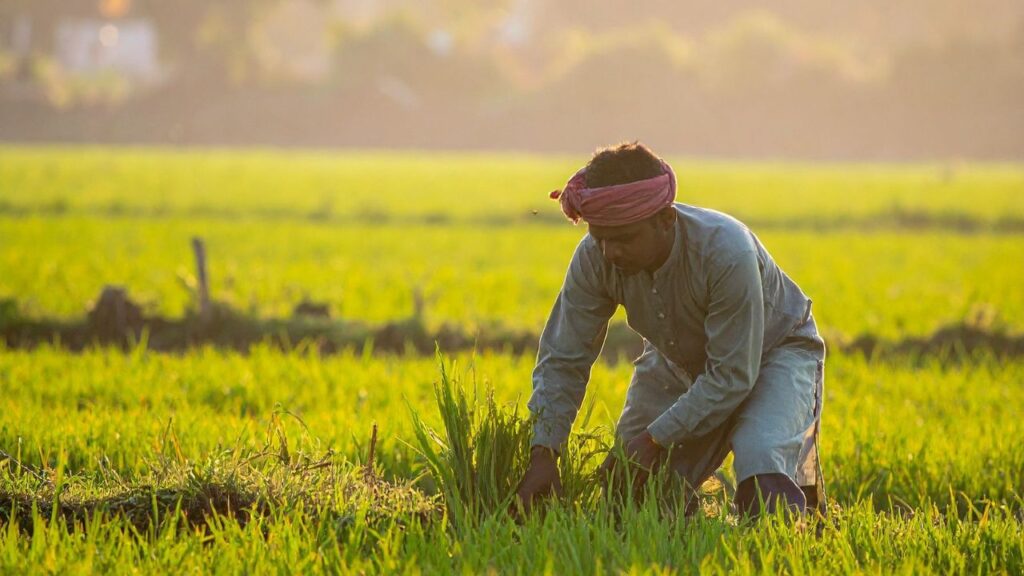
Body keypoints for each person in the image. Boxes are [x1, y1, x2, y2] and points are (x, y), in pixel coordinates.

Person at [514, 141, 826, 518]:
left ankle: (790, 541)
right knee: (628, 496)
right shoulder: (595, 258)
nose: (611, 252)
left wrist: (655, 437)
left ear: (665, 220)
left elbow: (731, 375)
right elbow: (563, 358)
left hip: (774, 353)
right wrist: (544, 451)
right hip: (679, 359)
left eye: (625, 239)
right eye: (601, 238)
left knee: (763, 473)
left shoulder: (726, 252)